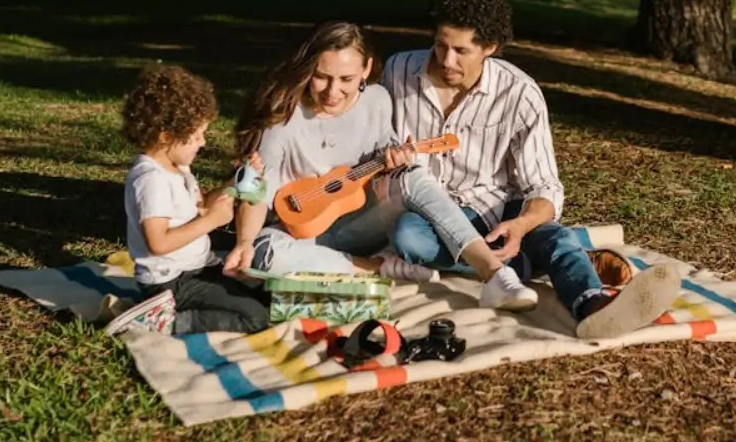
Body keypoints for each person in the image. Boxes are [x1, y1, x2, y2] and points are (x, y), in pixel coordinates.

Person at [385, 0, 683, 339]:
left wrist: (521, 227)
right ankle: (529, 263)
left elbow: (543, 185)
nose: (446, 60)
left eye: (461, 51)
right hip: (428, 213)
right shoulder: (398, 71)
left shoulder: (519, 92)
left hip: (496, 209)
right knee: (407, 240)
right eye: (440, 45)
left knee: (549, 234)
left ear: (490, 48)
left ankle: (594, 307)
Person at [222, 22, 538, 310]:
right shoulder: (283, 118)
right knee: (264, 253)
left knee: (410, 176)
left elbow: (385, 169)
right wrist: (245, 241)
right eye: (321, 77)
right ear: (307, 71)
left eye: (346, 79)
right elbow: (256, 190)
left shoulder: (377, 101)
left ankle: (495, 274)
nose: (332, 92)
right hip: (303, 236)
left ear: (366, 70)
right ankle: (381, 267)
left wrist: (394, 162)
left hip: (364, 222)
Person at [103, 65, 270, 337]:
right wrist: (210, 222)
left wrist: (236, 184)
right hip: (170, 282)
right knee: (257, 319)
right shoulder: (150, 180)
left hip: (197, 266)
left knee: (264, 294)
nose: (202, 143)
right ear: (166, 137)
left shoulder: (176, 167)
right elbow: (158, 243)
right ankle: (163, 323)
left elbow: (201, 206)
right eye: (195, 137)